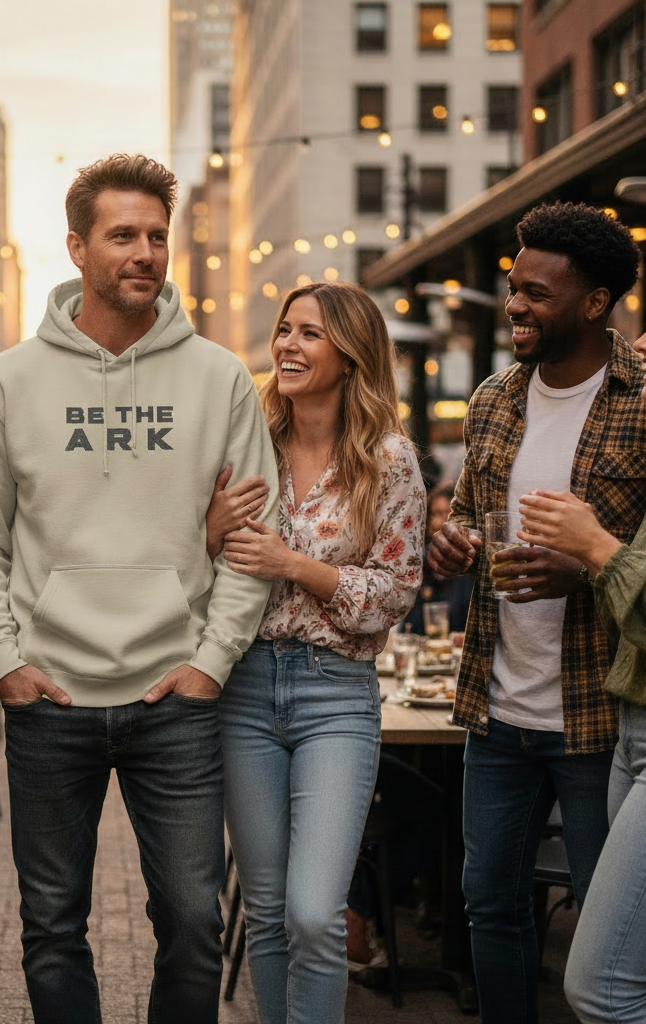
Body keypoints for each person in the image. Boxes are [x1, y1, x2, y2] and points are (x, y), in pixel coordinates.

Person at [0, 153, 278, 1021]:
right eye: (122, 234)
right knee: (52, 925)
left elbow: (251, 540)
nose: (144, 252)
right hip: (48, 696)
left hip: (177, 698)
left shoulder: (219, 379)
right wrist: (6, 660)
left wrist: (211, 661)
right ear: (76, 248)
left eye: (157, 237)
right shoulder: (11, 383)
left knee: (192, 925)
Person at [427, 201, 646, 1023]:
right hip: (496, 709)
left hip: (602, 713)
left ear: (595, 302)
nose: (515, 306)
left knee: (609, 925)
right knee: (489, 905)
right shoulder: (495, 399)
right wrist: (454, 542)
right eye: (512, 287)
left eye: (536, 293)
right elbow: (468, 511)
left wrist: (587, 569)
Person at [207, 281, 425, 1023]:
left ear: (351, 354)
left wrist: (296, 566)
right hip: (243, 688)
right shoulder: (246, 446)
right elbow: (198, 566)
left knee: (313, 912)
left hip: (336, 694)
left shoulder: (390, 461)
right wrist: (208, 530)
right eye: (284, 330)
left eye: (311, 334)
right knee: (266, 911)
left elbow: (395, 593)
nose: (288, 346)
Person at [516, 267, 646, 1024]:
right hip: (645, 737)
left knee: (599, 985)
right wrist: (579, 564)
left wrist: (600, 548)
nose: (641, 345)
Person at [405, 481, 474, 635]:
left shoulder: (472, 566)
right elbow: (408, 627)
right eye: (437, 513)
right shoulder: (418, 566)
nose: (443, 521)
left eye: (449, 514)